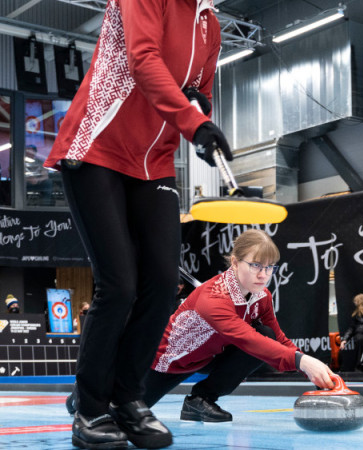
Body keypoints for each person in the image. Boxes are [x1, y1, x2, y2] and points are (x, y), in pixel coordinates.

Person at [45, 0, 232, 448]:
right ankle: (89, 409)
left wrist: (199, 105)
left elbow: (196, 87)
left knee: (163, 284)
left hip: (155, 163)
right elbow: (143, 59)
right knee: (120, 285)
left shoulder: (211, 25)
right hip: (98, 147)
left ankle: (127, 400)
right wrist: (195, 124)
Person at [141, 229, 335, 422]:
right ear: (234, 262)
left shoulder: (261, 296)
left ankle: (201, 399)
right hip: (166, 361)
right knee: (120, 419)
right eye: (256, 266)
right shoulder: (214, 299)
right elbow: (249, 340)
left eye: (270, 268)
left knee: (266, 334)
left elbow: (277, 338)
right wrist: (302, 362)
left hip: (208, 357)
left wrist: (311, 367)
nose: (263, 275)